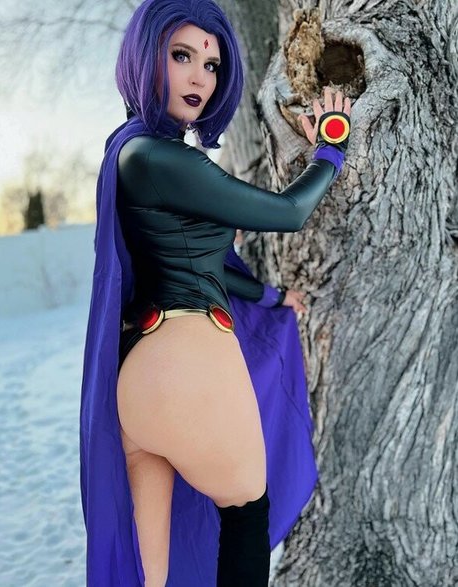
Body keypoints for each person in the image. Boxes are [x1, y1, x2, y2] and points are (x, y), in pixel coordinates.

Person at [79, 0, 352, 585]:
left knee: (150, 575)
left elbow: (202, 263)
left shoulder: (127, 151)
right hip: (188, 363)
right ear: (145, 56)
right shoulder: (161, 156)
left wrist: (272, 299)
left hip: (139, 386)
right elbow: (288, 212)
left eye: (211, 64)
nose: (200, 77)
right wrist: (332, 149)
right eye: (182, 55)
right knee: (247, 512)